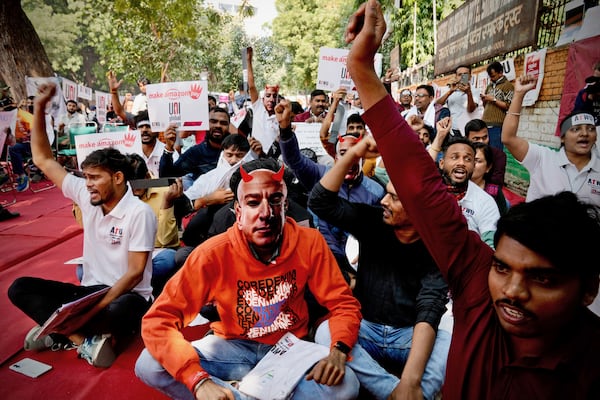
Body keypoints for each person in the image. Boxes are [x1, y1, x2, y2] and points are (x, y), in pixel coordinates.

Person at [345, 2, 600, 399]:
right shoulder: (479, 288)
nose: (512, 290)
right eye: (501, 267)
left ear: (588, 290)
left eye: (543, 278)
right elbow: (420, 185)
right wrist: (362, 68)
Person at [134, 157, 363, 400]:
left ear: (286, 206)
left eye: (275, 200)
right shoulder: (212, 253)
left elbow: (343, 304)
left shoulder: (310, 242)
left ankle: (239, 394)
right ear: (238, 211)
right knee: (149, 363)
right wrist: (198, 381)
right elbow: (160, 320)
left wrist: (339, 349)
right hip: (232, 348)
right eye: (253, 202)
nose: (266, 213)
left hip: (289, 350)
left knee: (346, 385)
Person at [8, 82, 157, 368]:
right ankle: (79, 339)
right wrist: (38, 109)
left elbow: (135, 274)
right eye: (85, 177)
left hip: (125, 298)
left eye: (95, 178)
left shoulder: (139, 213)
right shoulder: (87, 196)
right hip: (88, 293)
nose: (87, 185)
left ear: (117, 178)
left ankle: (59, 329)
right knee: (19, 288)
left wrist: (93, 309)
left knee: (119, 309)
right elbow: (42, 158)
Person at [309, 135, 451, 400]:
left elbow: (429, 309)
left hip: (407, 336)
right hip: (364, 329)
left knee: (448, 343)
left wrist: (412, 377)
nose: (384, 201)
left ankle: (414, 391)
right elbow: (320, 203)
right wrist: (353, 154)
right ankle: (395, 393)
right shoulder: (373, 221)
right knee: (326, 331)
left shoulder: (438, 246)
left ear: (420, 210)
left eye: (394, 198)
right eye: (387, 193)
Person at [280, 102, 384, 282]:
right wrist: (285, 129)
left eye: (354, 153)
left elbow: (378, 232)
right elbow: (293, 159)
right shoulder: (319, 175)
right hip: (322, 260)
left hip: (359, 267)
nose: (350, 159)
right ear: (335, 158)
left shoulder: (376, 191)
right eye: (344, 153)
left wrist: (369, 256)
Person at [502, 75, 600, 206]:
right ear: (563, 137)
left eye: (590, 129)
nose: (584, 133)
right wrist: (519, 94)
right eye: (576, 129)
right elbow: (508, 138)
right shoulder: (542, 158)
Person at [429, 120, 500, 247]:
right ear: (441, 163)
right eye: (454, 157)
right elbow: (419, 172)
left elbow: (490, 248)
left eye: (468, 159)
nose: (461, 163)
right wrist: (439, 138)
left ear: (473, 166)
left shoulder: (485, 202)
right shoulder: (429, 190)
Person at [159, 107, 231, 190]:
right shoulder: (196, 152)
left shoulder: (238, 149)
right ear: (205, 124)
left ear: (229, 126)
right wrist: (168, 147)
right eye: (213, 122)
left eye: (223, 123)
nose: (218, 125)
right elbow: (166, 178)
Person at [436, 65, 479, 136]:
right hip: (453, 130)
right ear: (456, 77)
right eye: (459, 75)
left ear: (470, 77)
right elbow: (438, 105)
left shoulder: (475, 91)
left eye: (465, 74)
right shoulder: (450, 90)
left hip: (469, 130)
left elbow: (471, 109)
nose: (462, 77)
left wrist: (469, 93)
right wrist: (450, 91)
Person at [481, 61, 513, 150]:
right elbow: (486, 106)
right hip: (485, 123)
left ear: (500, 73)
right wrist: (484, 100)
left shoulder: (508, 85)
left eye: (493, 76)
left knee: (495, 151)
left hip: (497, 125)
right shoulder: (489, 86)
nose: (491, 79)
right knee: (485, 152)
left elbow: (508, 106)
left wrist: (493, 100)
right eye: (490, 76)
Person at [464, 118, 506, 187]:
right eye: (476, 139)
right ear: (467, 139)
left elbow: (497, 182)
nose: (482, 142)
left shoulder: (498, 155)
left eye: (484, 137)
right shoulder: (461, 154)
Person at [135, 110, 177, 178]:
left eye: (149, 126)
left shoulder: (170, 152)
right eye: (141, 127)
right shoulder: (131, 153)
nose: (144, 130)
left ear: (157, 130)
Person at [471, 142, 509, 216]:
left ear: (488, 167)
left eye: (478, 161)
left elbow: (502, 219)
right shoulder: (456, 187)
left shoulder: (494, 191)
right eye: (468, 159)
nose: (472, 164)